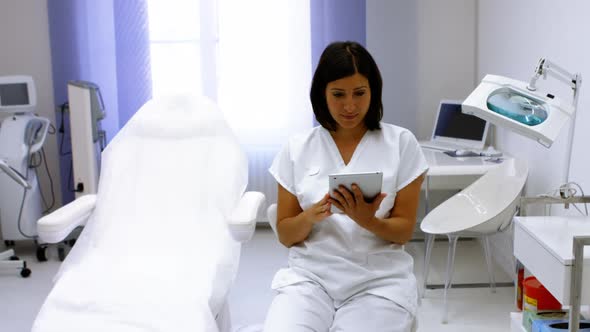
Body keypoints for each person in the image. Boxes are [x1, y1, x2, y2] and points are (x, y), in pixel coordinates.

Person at [263, 41, 428, 332]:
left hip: (379, 280)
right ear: (322, 95)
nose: (350, 106)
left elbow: (403, 230)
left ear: (373, 92)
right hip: (310, 278)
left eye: (359, 93)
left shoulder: (401, 144)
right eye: (338, 94)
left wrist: (367, 221)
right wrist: (311, 215)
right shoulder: (297, 148)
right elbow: (286, 235)